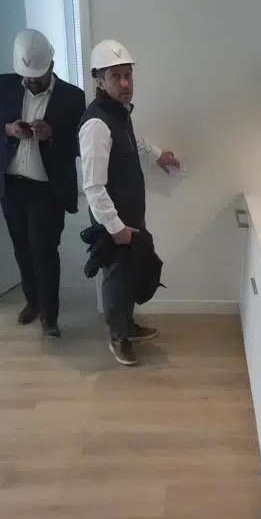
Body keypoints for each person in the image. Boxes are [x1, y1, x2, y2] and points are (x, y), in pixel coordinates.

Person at [0, 29, 86, 338]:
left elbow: (82, 145)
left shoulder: (73, 97)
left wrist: (53, 136)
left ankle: (50, 316)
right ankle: (32, 302)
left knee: (45, 250)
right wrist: (7, 129)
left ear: (51, 64)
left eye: (37, 77)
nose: (31, 82)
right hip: (10, 186)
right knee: (21, 249)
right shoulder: (3, 85)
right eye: (27, 77)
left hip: (47, 190)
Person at [78, 39, 181, 366]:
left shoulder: (119, 114)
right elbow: (93, 186)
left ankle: (128, 325)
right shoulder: (96, 124)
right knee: (117, 276)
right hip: (115, 220)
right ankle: (117, 337)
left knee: (131, 272)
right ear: (99, 79)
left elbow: (133, 140)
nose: (125, 83)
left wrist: (157, 155)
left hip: (131, 213)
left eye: (128, 75)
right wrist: (115, 227)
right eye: (116, 76)